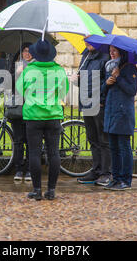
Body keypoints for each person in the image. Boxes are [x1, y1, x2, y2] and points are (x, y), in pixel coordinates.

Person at [16, 39, 69, 200]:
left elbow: (20, 90)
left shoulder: (29, 70)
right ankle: (51, 190)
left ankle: (37, 189)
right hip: (53, 115)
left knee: (34, 153)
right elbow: (63, 92)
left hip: (33, 115)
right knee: (53, 153)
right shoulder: (59, 71)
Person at [71, 39, 111, 186]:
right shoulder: (86, 55)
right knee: (93, 139)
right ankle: (96, 170)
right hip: (86, 102)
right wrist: (77, 80)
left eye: (91, 38)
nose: (87, 41)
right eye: (85, 38)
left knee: (103, 140)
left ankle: (106, 173)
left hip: (99, 103)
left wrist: (101, 98)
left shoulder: (105, 57)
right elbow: (85, 79)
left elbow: (108, 81)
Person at [101, 46, 137, 191]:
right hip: (111, 111)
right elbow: (104, 88)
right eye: (110, 50)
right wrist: (107, 83)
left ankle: (125, 180)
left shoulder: (129, 68)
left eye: (114, 51)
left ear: (121, 53)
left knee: (124, 147)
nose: (111, 53)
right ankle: (115, 178)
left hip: (123, 113)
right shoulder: (109, 67)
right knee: (113, 148)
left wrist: (118, 77)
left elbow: (132, 90)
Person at [9, 43, 33, 182]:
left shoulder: (36, 67)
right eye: (25, 51)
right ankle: (18, 169)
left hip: (31, 107)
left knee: (30, 141)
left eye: (30, 51)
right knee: (18, 140)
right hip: (18, 107)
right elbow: (9, 84)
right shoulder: (16, 65)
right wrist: (16, 75)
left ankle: (29, 169)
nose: (27, 54)